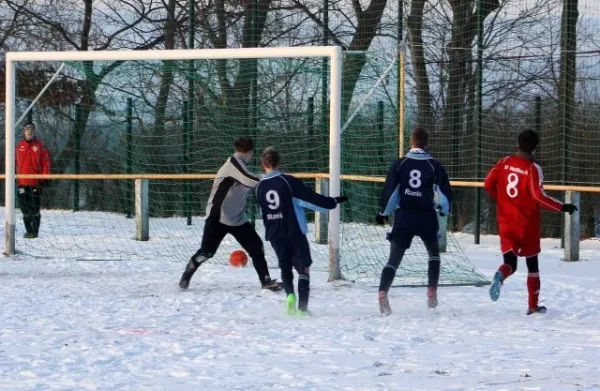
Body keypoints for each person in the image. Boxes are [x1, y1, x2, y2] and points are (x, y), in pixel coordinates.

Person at [484, 129, 577, 315]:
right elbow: (538, 196)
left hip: (505, 221)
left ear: (517, 144)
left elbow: (488, 183)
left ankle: (501, 274)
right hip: (526, 223)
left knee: (510, 262)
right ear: (535, 148)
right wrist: (561, 207)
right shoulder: (532, 168)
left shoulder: (503, 162)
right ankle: (532, 306)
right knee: (532, 263)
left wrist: (503, 201)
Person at [179, 136, 281, 291]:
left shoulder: (241, 165)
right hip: (218, 217)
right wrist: (273, 177)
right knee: (207, 252)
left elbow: (250, 179)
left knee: (256, 247)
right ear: (250, 152)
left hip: (237, 219)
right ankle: (186, 276)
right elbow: (249, 180)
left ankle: (266, 281)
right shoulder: (233, 164)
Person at [255, 147, 348, 315]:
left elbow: (262, 212)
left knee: (285, 267)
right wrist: (332, 202)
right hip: (294, 232)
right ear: (280, 162)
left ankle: (290, 295)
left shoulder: (259, 188)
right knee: (303, 268)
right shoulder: (288, 182)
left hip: (275, 235)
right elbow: (311, 200)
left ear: (263, 164)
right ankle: (303, 309)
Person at [375, 127, 452, 315]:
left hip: (404, 216)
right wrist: (444, 209)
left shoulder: (400, 164)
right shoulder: (434, 165)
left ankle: (383, 291)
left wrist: (383, 212)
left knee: (394, 259)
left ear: (411, 142)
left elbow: (391, 191)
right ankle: (432, 290)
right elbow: (444, 192)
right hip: (426, 215)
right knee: (433, 253)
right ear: (427, 143)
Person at [16, 122, 51, 239]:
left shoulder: (40, 146)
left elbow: (46, 163)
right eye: (27, 129)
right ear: (24, 131)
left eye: (31, 129)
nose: (29, 131)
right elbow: (14, 163)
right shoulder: (19, 146)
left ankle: (35, 232)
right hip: (21, 182)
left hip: (35, 183)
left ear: (34, 131)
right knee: (24, 208)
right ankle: (28, 231)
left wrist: (45, 178)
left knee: (34, 208)